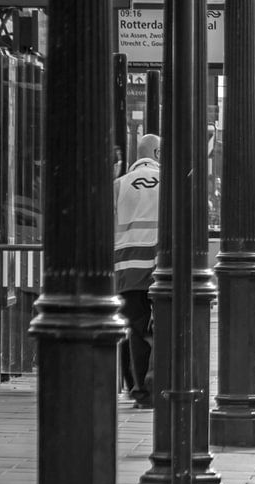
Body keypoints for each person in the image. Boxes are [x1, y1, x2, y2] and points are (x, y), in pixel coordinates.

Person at [114, 133, 161, 409]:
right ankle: (155, 384)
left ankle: (140, 388)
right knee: (159, 328)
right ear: (156, 154)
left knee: (137, 328)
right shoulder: (170, 183)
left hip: (127, 270)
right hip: (159, 268)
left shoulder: (119, 186)